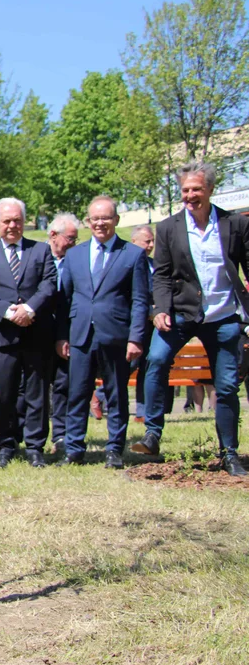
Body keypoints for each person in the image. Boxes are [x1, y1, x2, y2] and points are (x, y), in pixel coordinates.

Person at [134, 160, 249, 476]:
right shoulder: (169, 227)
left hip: (223, 316)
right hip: (182, 313)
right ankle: (153, 434)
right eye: (185, 190)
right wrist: (159, 310)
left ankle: (230, 454)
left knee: (225, 387)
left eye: (196, 189)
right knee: (156, 359)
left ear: (210, 189)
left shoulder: (234, 223)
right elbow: (162, 275)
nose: (190, 195)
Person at [56, 195, 149, 468]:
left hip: (117, 335)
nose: (100, 223)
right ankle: (74, 449)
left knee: (117, 393)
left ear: (116, 220)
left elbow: (140, 301)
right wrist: (62, 335)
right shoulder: (74, 254)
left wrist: (136, 337)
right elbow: (65, 300)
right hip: (80, 335)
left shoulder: (133, 255)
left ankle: (114, 449)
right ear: (88, 221)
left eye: (105, 218)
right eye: (95, 218)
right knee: (77, 393)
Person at [0, 198, 58, 468]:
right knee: (5, 392)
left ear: (24, 221)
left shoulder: (42, 250)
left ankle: (35, 445)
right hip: (4, 334)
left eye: (17, 220)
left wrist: (29, 309)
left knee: (37, 392)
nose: (12, 225)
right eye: (6, 221)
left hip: (36, 332)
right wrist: (10, 312)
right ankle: (6, 442)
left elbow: (49, 284)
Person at [127, 225, 174, 423]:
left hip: (155, 326)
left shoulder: (155, 264)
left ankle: (143, 411)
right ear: (134, 242)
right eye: (147, 241)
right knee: (129, 365)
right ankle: (101, 394)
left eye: (152, 241)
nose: (151, 245)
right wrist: (149, 312)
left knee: (147, 367)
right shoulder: (128, 265)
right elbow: (132, 297)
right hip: (135, 324)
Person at [46, 212, 79, 456]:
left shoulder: (75, 261)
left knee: (62, 384)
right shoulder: (37, 256)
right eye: (70, 238)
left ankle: (61, 434)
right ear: (53, 235)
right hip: (37, 331)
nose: (73, 244)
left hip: (66, 333)